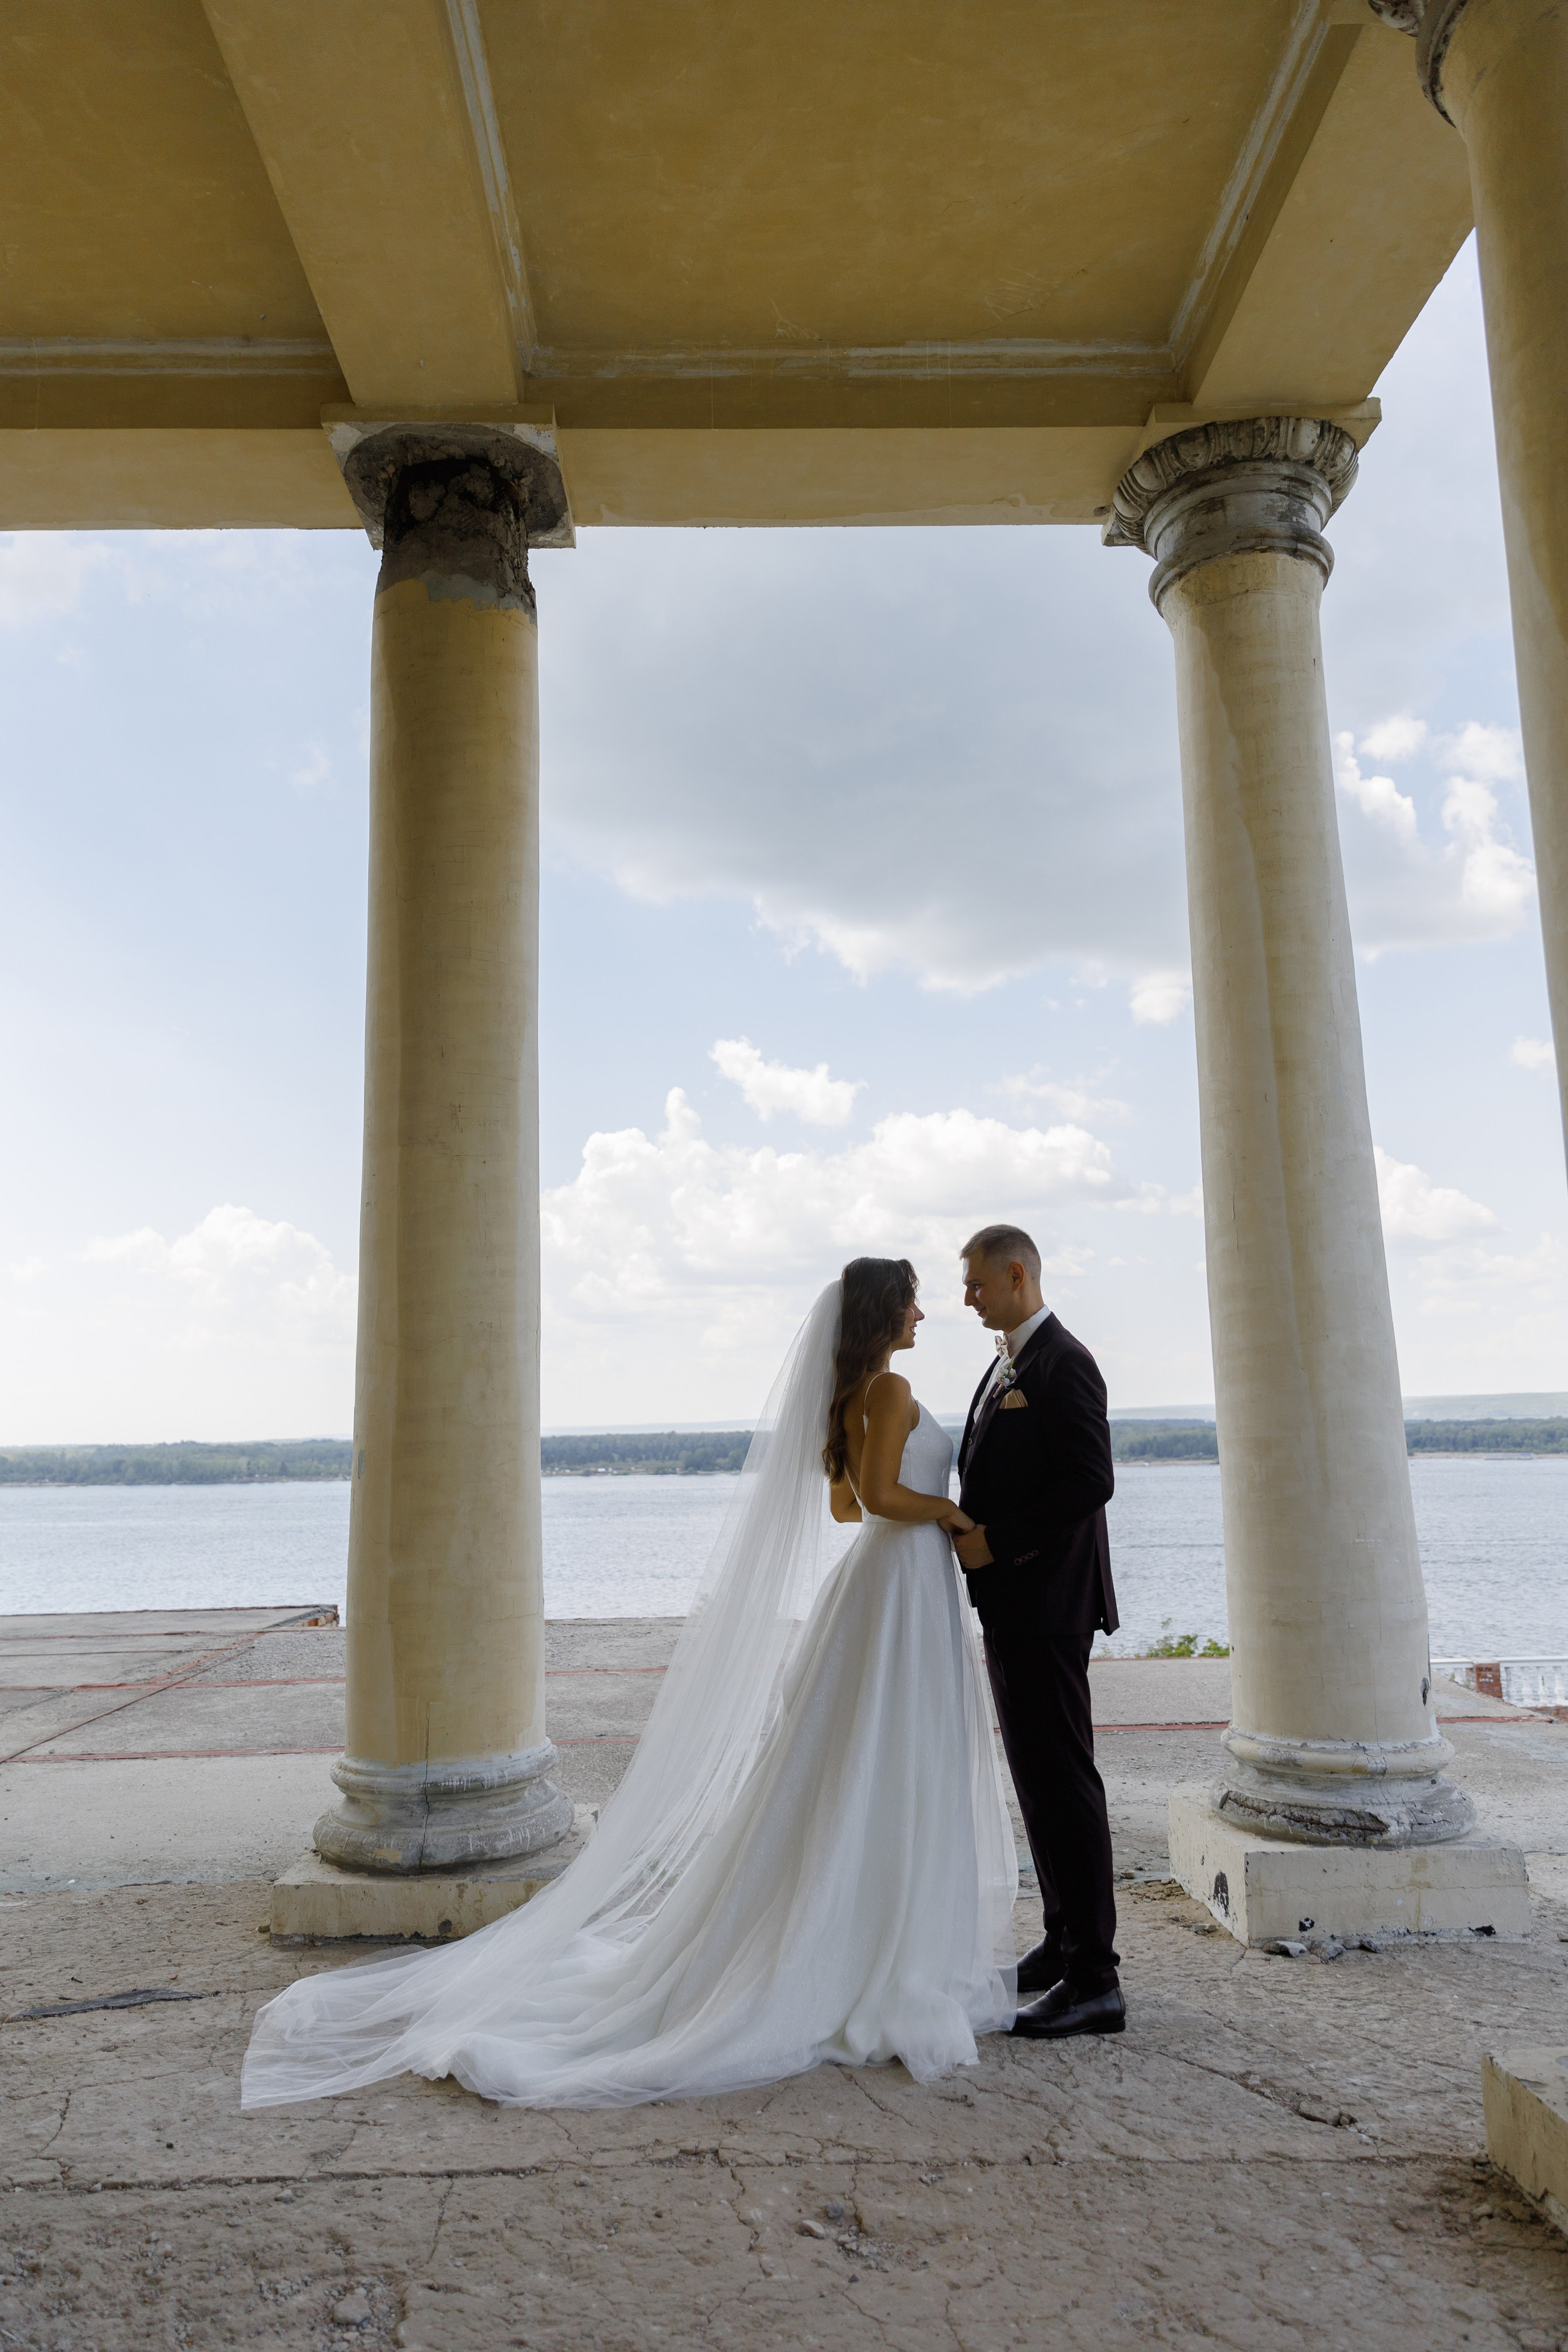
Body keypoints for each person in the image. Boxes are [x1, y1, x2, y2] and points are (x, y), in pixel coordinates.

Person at [242, 1258, 1018, 2113]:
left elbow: (844, 1508)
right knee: (897, 1751)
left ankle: (854, 1924)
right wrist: (948, 1512)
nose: (922, 1315)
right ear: (883, 1312)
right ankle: (884, 1940)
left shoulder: (853, 1397)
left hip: (882, 1586)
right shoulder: (891, 1389)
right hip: (900, 1585)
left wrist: (915, 1507)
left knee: (866, 1753)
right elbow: (875, 1497)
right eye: (912, 1302)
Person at [952, 1224, 1125, 2038]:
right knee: (1037, 1780)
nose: (967, 1299)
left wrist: (999, 1541)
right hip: (1016, 1606)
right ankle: (1061, 1943)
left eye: (977, 1284)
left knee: (1064, 1782)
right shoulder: (1011, 1361)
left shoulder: (1064, 1361)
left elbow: (1092, 1480)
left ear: (1017, 1275)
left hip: (1049, 1604)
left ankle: (1096, 1980)